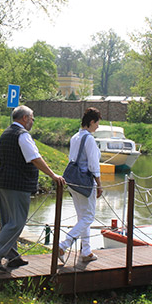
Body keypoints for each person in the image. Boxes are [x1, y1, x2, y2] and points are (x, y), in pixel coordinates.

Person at [0, 105, 65, 272]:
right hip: (18, 184)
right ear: (24, 118)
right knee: (17, 222)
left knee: (8, 221)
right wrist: (53, 175)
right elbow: (34, 158)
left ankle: (12, 256)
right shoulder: (23, 135)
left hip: (4, 181)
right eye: (32, 118)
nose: (33, 121)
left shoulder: (6, 133)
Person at [58, 107, 102, 263]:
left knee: (82, 217)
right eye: (97, 123)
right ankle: (64, 244)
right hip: (85, 182)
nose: (98, 126)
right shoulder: (89, 139)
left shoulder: (75, 137)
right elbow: (93, 164)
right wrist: (99, 184)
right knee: (88, 217)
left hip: (73, 181)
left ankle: (86, 250)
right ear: (91, 122)